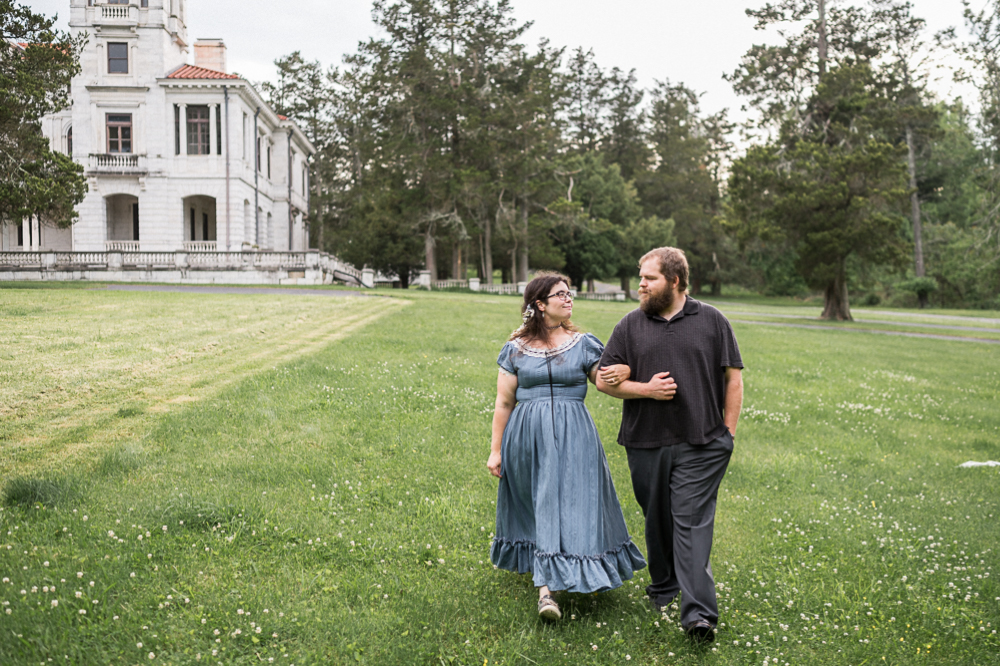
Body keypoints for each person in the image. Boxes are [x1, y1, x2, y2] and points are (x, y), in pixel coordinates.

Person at [596, 247, 743, 643]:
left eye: (650, 278)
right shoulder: (629, 325)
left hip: (702, 442)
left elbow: (733, 377)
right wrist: (646, 389)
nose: (641, 284)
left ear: (675, 281)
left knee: (690, 522)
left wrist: (727, 433)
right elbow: (602, 381)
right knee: (657, 518)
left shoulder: (712, 320)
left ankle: (698, 617)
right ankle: (663, 586)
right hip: (645, 442)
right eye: (641, 277)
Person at [488, 273, 647, 621]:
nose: (568, 298)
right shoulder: (515, 347)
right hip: (527, 436)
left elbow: (606, 384)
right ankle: (546, 592)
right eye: (559, 294)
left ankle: (570, 573)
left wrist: (640, 384)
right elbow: (503, 403)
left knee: (573, 503)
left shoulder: (583, 343)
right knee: (542, 503)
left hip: (575, 433)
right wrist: (496, 450)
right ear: (540, 304)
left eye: (569, 293)